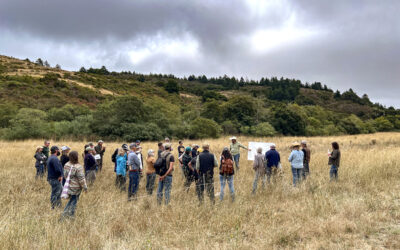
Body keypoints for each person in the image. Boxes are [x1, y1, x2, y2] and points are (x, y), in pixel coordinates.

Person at [61, 151, 87, 219]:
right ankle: (70, 216)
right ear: (76, 157)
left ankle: (65, 215)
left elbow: (65, 175)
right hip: (76, 187)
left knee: (71, 200)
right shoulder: (78, 167)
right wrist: (85, 187)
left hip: (69, 186)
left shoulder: (66, 164)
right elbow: (81, 179)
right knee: (74, 202)